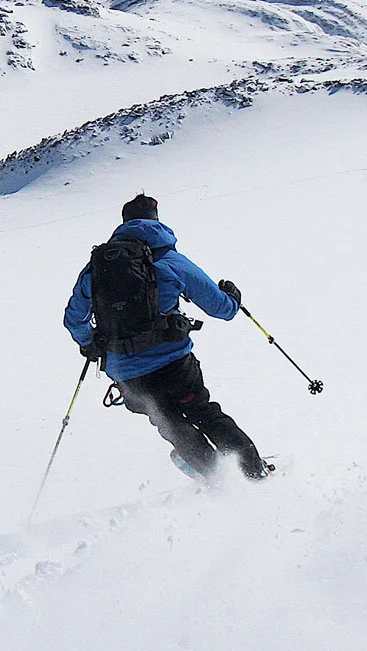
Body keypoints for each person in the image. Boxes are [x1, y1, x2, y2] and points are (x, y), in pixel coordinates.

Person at [63, 194, 272, 481]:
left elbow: (74, 319)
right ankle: (255, 472)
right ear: (156, 221)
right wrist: (232, 296)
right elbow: (222, 309)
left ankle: (217, 480)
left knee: (171, 425)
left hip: (128, 375)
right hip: (174, 365)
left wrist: (90, 344)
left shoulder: (98, 268)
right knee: (204, 413)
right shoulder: (170, 260)